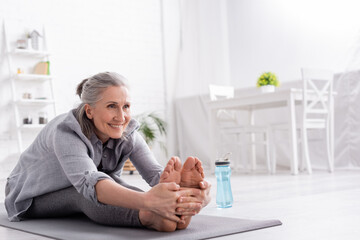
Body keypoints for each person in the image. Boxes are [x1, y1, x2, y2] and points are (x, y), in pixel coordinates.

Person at [4, 72, 211, 232]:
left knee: (116, 184)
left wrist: (190, 195)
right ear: (89, 110)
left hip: (89, 184)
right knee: (87, 191)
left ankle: (175, 212)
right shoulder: (65, 131)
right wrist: (149, 201)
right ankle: (149, 217)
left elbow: (156, 176)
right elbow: (90, 183)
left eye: (126, 106)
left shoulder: (127, 132)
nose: (121, 116)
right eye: (112, 106)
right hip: (31, 196)